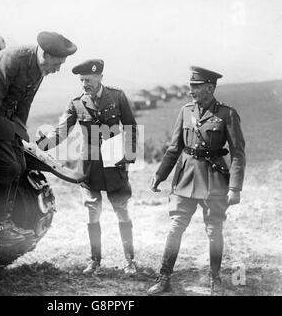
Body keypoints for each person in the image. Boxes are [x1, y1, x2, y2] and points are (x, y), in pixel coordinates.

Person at [148, 66, 246, 295]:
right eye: (190, 86)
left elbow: (238, 153)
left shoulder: (227, 114)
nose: (191, 90)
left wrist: (235, 188)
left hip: (214, 181)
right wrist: (160, 175)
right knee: (175, 228)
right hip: (186, 178)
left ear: (210, 88)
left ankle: (215, 279)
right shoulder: (185, 111)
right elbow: (174, 148)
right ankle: (164, 277)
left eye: (196, 86)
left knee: (214, 231)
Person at [37, 59, 138, 275]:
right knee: (92, 212)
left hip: (115, 163)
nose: (84, 84)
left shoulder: (117, 97)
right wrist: (42, 144)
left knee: (121, 210)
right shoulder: (76, 103)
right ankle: (95, 261)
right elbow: (61, 132)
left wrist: (127, 158)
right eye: (82, 80)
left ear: (100, 77)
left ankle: (130, 261)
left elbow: (131, 127)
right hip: (89, 165)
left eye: (89, 80)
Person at [0, 31, 77, 245]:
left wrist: (21, 137)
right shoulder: (13, 59)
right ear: (45, 54)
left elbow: (24, 106)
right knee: (8, 167)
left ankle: (5, 222)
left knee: (21, 164)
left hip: (7, 123)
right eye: (57, 63)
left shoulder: (39, 69)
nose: (58, 69)